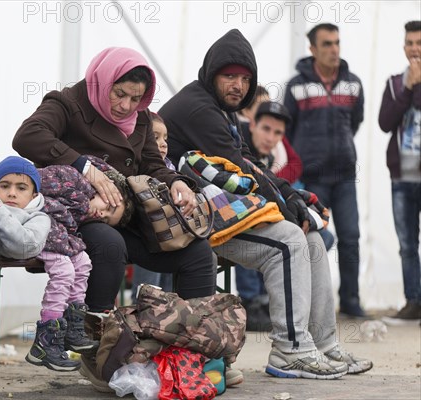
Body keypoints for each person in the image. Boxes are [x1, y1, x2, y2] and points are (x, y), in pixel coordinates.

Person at [159, 29, 372, 379]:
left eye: (245, 79)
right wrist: (290, 210)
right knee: (289, 239)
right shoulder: (199, 107)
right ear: (212, 73)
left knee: (313, 239)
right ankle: (290, 350)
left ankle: (323, 346)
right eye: (229, 76)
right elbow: (242, 168)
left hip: (209, 211)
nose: (238, 86)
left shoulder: (220, 108)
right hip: (183, 222)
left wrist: (292, 194)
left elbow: (248, 160)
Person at [13, 47, 216, 387]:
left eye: (135, 98)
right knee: (108, 246)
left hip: (131, 216)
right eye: (118, 93)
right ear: (101, 80)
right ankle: (95, 350)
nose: (125, 106)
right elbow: (27, 137)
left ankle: (193, 354)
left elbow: (152, 164)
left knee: (198, 254)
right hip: (80, 218)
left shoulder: (140, 118)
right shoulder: (67, 104)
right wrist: (85, 167)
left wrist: (178, 182)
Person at [283, 23, 366, 318]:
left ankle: (351, 302)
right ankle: (314, 308)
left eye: (337, 43)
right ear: (313, 49)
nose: (334, 49)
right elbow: (286, 132)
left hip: (344, 176)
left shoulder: (353, 83)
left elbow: (355, 122)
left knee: (351, 237)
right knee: (316, 241)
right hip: (311, 179)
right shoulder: (295, 86)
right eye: (327, 44)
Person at [20, 156, 133, 371]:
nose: (101, 215)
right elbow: (28, 185)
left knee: (83, 262)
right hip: (30, 227)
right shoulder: (73, 179)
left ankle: (74, 326)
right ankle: (45, 340)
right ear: (105, 188)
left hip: (54, 237)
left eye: (106, 219)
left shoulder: (79, 211)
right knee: (64, 269)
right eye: (108, 207)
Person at [378, 20, 421, 325]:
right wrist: (407, 87)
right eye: (410, 42)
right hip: (403, 176)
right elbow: (385, 122)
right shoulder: (395, 82)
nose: (414, 48)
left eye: (419, 42)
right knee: (407, 243)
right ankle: (414, 301)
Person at [129, 112, 174, 303]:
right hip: (145, 234)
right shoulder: (137, 169)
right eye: (155, 137)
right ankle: (144, 305)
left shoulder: (171, 170)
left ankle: (169, 307)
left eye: (165, 138)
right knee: (152, 248)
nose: (163, 143)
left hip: (170, 233)